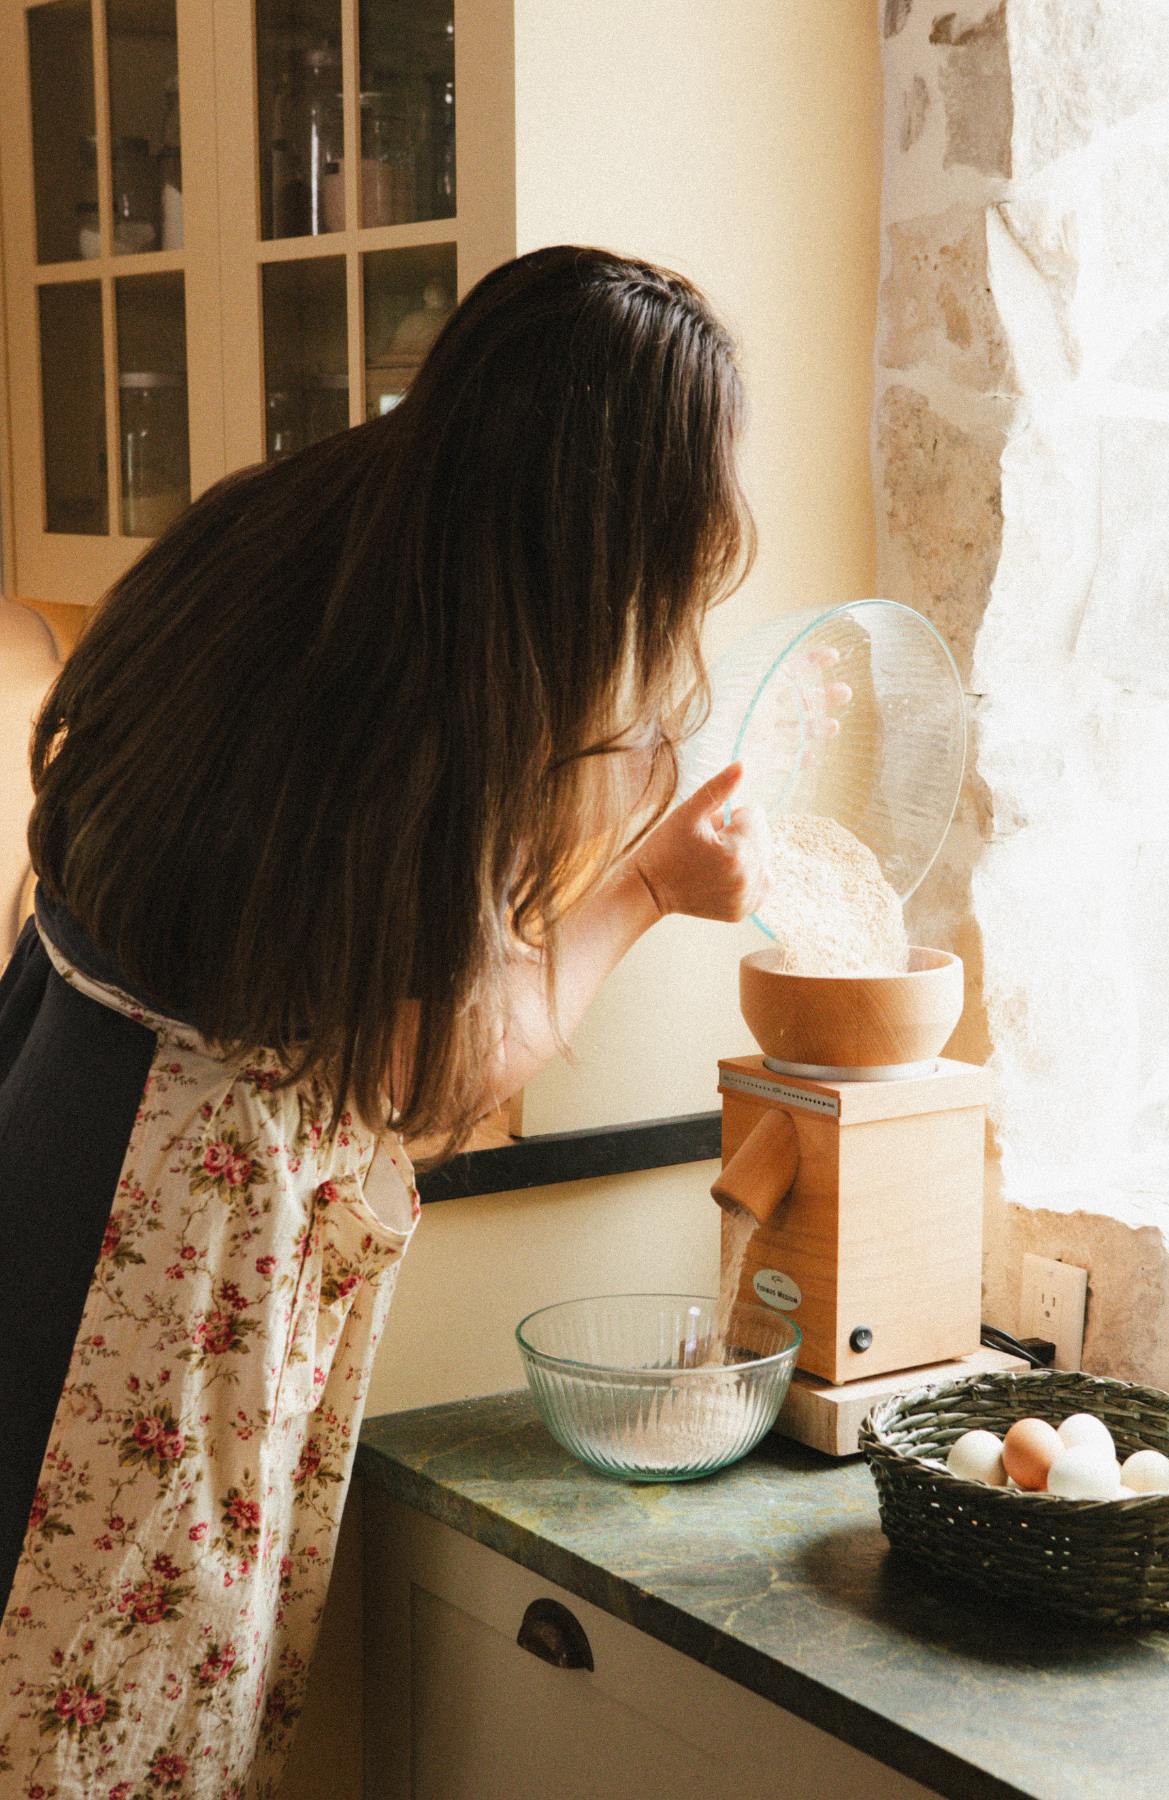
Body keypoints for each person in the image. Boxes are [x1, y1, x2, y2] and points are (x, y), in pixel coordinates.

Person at [0, 244, 768, 1795]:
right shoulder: (466, 670)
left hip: (45, 1078)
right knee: (100, 1701)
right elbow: (448, 1066)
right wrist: (649, 889)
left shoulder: (295, 518)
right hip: (177, 1232)